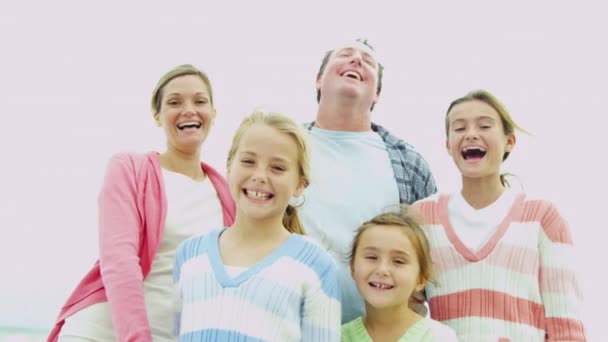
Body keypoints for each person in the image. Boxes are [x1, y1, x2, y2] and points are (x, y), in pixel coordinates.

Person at [48, 64, 236, 341]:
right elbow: (119, 261)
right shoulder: (129, 169)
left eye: (200, 101)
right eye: (174, 102)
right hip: (103, 333)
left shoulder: (228, 194)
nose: (189, 110)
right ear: (157, 115)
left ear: (213, 113)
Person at [413, 90, 586, 341]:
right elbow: (407, 314)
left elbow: (565, 325)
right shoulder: (422, 217)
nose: (471, 133)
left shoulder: (542, 218)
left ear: (509, 141)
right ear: (448, 146)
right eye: (459, 128)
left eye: (484, 125)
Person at [300, 39, 437, 323]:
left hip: (379, 333)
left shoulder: (410, 164)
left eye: (367, 61)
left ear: (376, 94)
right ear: (318, 80)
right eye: (345, 55)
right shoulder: (285, 146)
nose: (356, 61)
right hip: (292, 326)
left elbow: (430, 252)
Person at [172, 111, 341, 341]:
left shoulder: (316, 265)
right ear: (229, 167)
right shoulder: (189, 254)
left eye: (278, 168)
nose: (260, 176)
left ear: (300, 184)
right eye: (248, 161)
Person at [342, 206, 458, 341]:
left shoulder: (439, 337)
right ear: (352, 268)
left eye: (398, 261)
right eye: (372, 257)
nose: (382, 270)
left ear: (421, 279)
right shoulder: (335, 336)